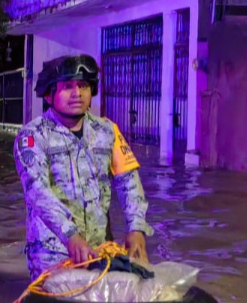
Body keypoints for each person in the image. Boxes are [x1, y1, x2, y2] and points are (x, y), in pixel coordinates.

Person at [13, 54, 153, 280]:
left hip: (100, 250)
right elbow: (37, 193)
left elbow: (129, 182)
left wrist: (136, 228)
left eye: (83, 86)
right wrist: (71, 236)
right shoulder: (32, 137)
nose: (77, 93)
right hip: (53, 255)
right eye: (68, 86)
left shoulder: (107, 131)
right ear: (49, 94)